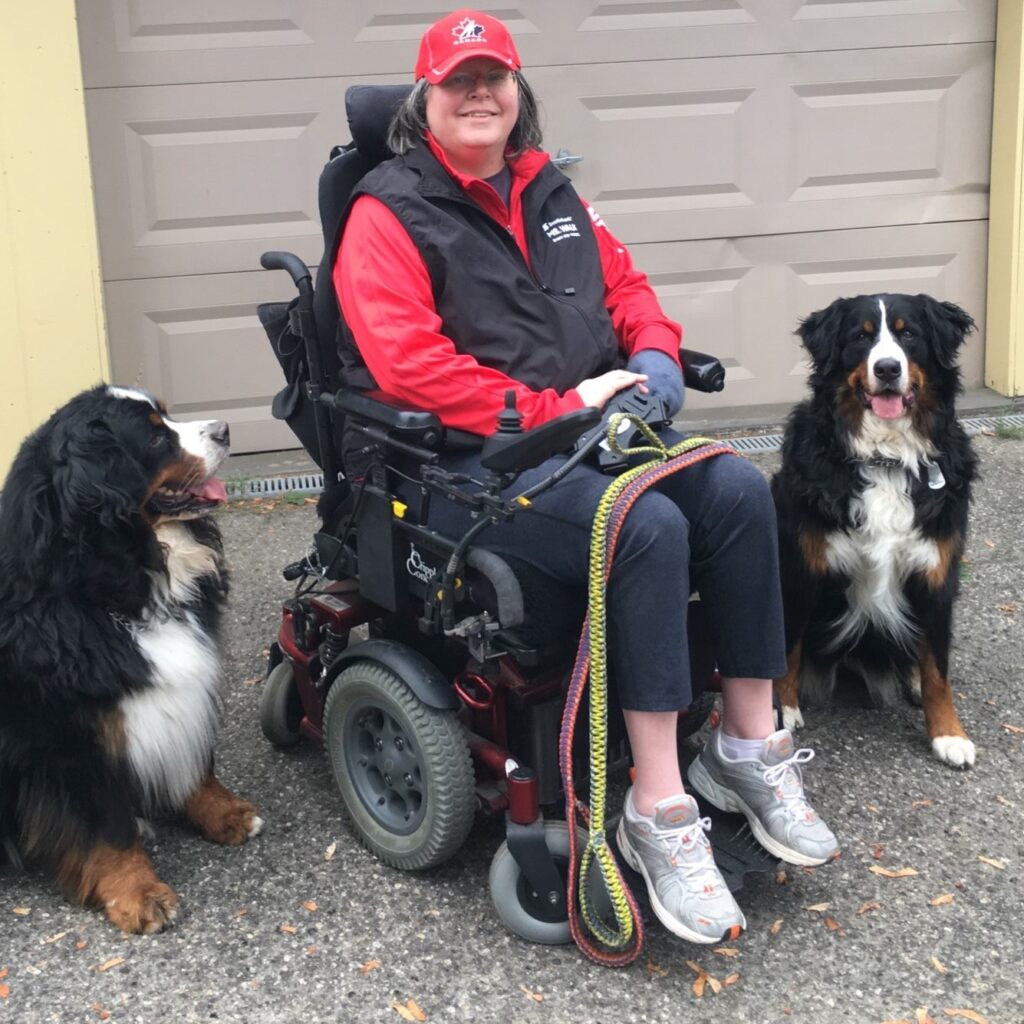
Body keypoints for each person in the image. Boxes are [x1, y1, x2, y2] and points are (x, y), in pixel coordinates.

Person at [334, 8, 838, 945]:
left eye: (496, 77)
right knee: (644, 528)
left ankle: (743, 749)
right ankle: (657, 805)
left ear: (518, 93)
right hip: (469, 464)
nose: (480, 94)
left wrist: (653, 358)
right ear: (426, 100)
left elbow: (629, 290)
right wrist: (559, 403)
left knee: (735, 493)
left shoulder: (550, 188)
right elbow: (410, 369)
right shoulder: (386, 212)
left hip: (594, 431)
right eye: (459, 81)